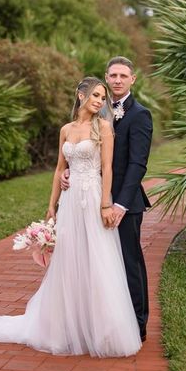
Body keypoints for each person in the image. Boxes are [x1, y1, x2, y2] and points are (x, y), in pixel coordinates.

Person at [0, 76, 142, 357]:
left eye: (102, 97)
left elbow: (107, 168)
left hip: (93, 198)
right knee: (69, 259)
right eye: (95, 95)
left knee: (97, 258)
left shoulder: (104, 128)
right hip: (70, 202)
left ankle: (102, 330)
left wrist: (106, 203)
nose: (99, 101)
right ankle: (65, 326)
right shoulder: (66, 130)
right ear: (80, 95)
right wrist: (52, 206)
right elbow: (60, 170)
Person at [61, 56, 152, 342]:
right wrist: (68, 174)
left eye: (123, 76)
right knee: (96, 265)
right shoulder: (97, 111)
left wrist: (120, 205)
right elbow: (83, 152)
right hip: (89, 198)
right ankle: (97, 325)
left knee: (128, 263)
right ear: (106, 77)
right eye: (112, 75)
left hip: (124, 203)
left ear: (132, 79)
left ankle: (137, 325)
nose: (117, 80)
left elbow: (138, 164)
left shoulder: (139, 115)